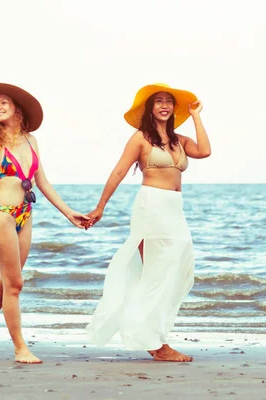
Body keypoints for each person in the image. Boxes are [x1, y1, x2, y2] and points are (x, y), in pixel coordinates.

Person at [0, 83, 87, 364]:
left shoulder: (31, 141)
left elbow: (43, 182)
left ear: (16, 109)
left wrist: (69, 213)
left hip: (26, 214)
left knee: (7, 283)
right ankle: (20, 348)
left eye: (2, 103)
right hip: (2, 215)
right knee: (15, 285)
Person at [85, 83, 211, 362]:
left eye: (169, 102)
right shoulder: (140, 138)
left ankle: (149, 332)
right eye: (159, 102)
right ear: (150, 109)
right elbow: (119, 171)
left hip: (175, 209)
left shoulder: (179, 140)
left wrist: (197, 115)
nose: (164, 106)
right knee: (156, 272)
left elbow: (204, 151)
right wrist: (100, 206)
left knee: (178, 269)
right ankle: (155, 343)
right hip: (151, 206)